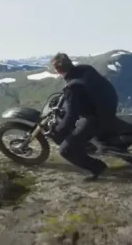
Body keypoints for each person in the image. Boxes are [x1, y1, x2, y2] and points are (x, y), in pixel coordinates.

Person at [49, 52, 119, 181]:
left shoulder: (73, 87)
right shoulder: (85, 69)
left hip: (96, 118)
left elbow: (71, 117)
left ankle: (98, 168)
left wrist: (59, 130)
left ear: (58, 70)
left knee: (65, 150)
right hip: (108, 106)